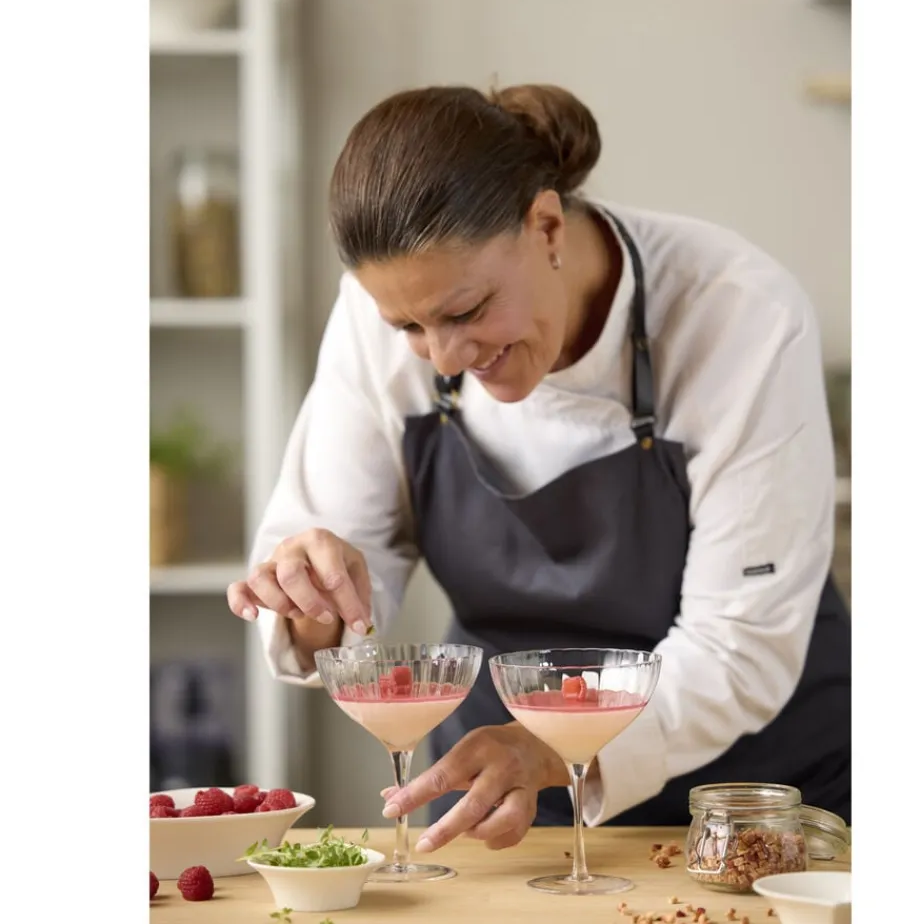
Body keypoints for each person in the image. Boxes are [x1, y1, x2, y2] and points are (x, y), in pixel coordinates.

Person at [227, 83, 851, 855]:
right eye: (410, 327)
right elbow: (344, 571)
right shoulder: (381, 311)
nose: (443, 356)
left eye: (466, 312)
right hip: (508, 798)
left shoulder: (738, 312)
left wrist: (547, 746)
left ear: (547, 226)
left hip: (755, 807)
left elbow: (738, 646)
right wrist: (314, 597)